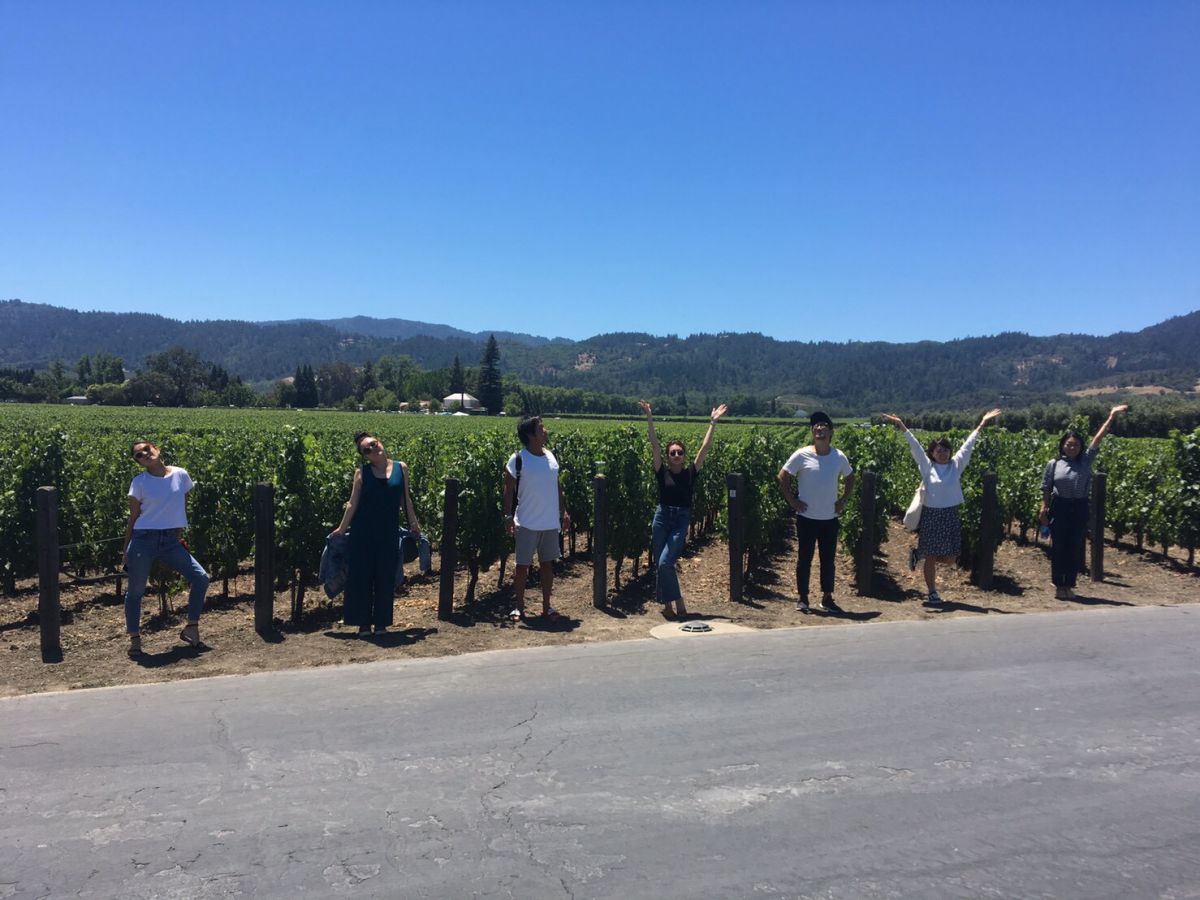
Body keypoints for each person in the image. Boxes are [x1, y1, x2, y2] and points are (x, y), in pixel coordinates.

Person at [881, 409, 1002, 607]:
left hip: (950, 515)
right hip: (931, 515)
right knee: (931, 556)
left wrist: (982, 423)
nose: (943, 453)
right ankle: (932, 592)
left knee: (950, 558)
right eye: (939, 450)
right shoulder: (927, 466)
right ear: (932, 453)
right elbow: (915, 447)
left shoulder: (956, 465)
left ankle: (918, 554)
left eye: (945, 450)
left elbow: (968, 445)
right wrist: (901, 425)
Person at [639, 400, 727, 619]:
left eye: (679, 452)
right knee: (662, 565)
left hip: (680, 519)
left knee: (665, 562)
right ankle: (668, 605)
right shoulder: (662, 472)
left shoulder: (691, 472)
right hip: (662, 517)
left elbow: (704, 448)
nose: (676, 455)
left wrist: (712, 423)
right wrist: (649, 417)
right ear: (668, 457)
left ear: (684, 456)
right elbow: (654, 445)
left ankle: (678, 600)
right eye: (673, 453)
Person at [122, 440, 210, 657]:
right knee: (135, 591)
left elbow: (183, 502)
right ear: (138, 463)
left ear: (157, 449)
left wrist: (179, 528)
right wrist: (125, 549)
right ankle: (135, 640)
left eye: (146, 450)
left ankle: (191, 627)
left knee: (201, 577)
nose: (144, 455)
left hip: (170, 540)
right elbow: (133, 517)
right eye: (138, 455)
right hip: (144, 539)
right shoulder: (139, 482)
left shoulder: (181, 474)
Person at [330, 432, 421, 635]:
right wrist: (342, 528)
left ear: (379, 441)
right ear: (365, 456)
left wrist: (414, 523)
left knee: (385, 577)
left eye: (373, 444)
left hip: (388, 532)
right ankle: (363, 624)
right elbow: (353, 503)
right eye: (367, 450)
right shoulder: (361, 473)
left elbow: (405, 499)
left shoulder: (401, 468)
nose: (372, 449)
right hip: (362, 533)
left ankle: (381, 623)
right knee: (361, 577)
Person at [1039, 405, 1127, 599]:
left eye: (1076, 445)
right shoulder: (1053, 464)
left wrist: (1111, 416)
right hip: (1059, 507)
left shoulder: (1085, 461)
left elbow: (1097, 439)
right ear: (1062, 445)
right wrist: (1043, 509)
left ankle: (1069, 585)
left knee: (1074, 547)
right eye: (1069, 444)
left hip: (1079, 507)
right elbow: (1046, 487)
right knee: (1058, 547)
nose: (1072, 447)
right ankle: (1058, 585)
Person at [777, 412, 855, 613]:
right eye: (816, 427)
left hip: (829, 518)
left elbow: (850, 478)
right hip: (806, 518)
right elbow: (783, 476)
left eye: (823, 426)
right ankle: (803, 598)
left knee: (828, 560)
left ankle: (827, 598)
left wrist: (844, 500)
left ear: (830, 431)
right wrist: (792, 501)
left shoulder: (839, 456)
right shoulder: (801, 454)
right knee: (804, 559)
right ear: (812, 432)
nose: (819, 429)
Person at [502, 416, 570, 622]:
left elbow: (557, 486)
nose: (545, 430)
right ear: (531, 435)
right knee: (522, 566)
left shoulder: (551, 457)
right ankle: (519, 607)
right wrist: (507, 516)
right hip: (526, 522)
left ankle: (547, 607)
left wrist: (563, 511)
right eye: (541, 428)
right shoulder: (518, 459)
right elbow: (508, 491)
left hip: (549, 522)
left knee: (547, 564)